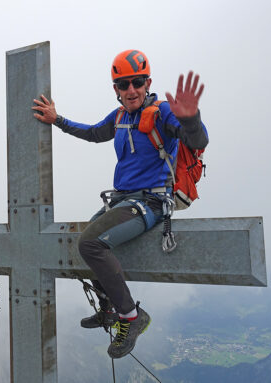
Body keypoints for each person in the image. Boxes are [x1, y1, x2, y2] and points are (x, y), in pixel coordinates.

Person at [32, 49, 208, 359]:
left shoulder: (163, 111)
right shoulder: (120, 117)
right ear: (115, 88)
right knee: (81, 242)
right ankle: (109, 308)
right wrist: (56, 120)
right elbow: (92, 133)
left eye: (137, 82)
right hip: (123, 200)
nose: (131, 90)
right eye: (123, 84)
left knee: (90, 244)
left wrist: (191, 120)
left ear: (147, 82)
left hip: (151, 202)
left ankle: (131, 316)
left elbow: (196, 142)